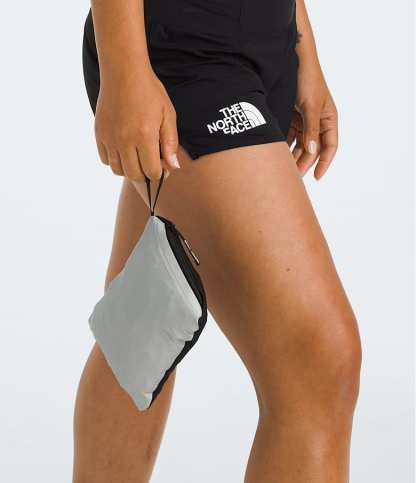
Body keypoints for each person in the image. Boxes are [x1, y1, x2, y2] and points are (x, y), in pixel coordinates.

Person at [74, 0, 362, 481]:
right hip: (182, 49)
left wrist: (303, 48)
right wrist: (124, 65)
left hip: (263, 41)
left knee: (143, 331)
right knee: (318, 362)